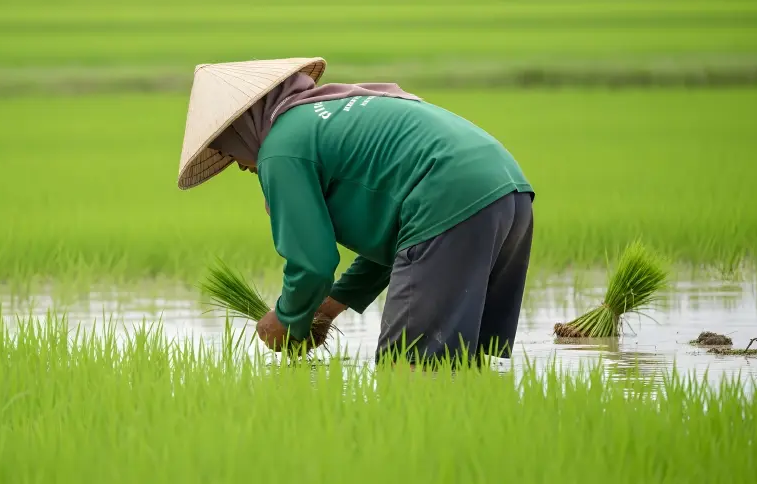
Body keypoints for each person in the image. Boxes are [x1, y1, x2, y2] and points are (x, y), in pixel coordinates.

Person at [177, 57, 535, 368]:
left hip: (449, 199)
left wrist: (287, 320)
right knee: (455, 364)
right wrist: (327, 310)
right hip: (507, 191)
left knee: (408, 369)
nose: (236, 164)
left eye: (227, 149)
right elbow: (399, 238)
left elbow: (312, 263)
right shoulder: (329, 112)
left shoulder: (282, 149)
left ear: (241, 128)